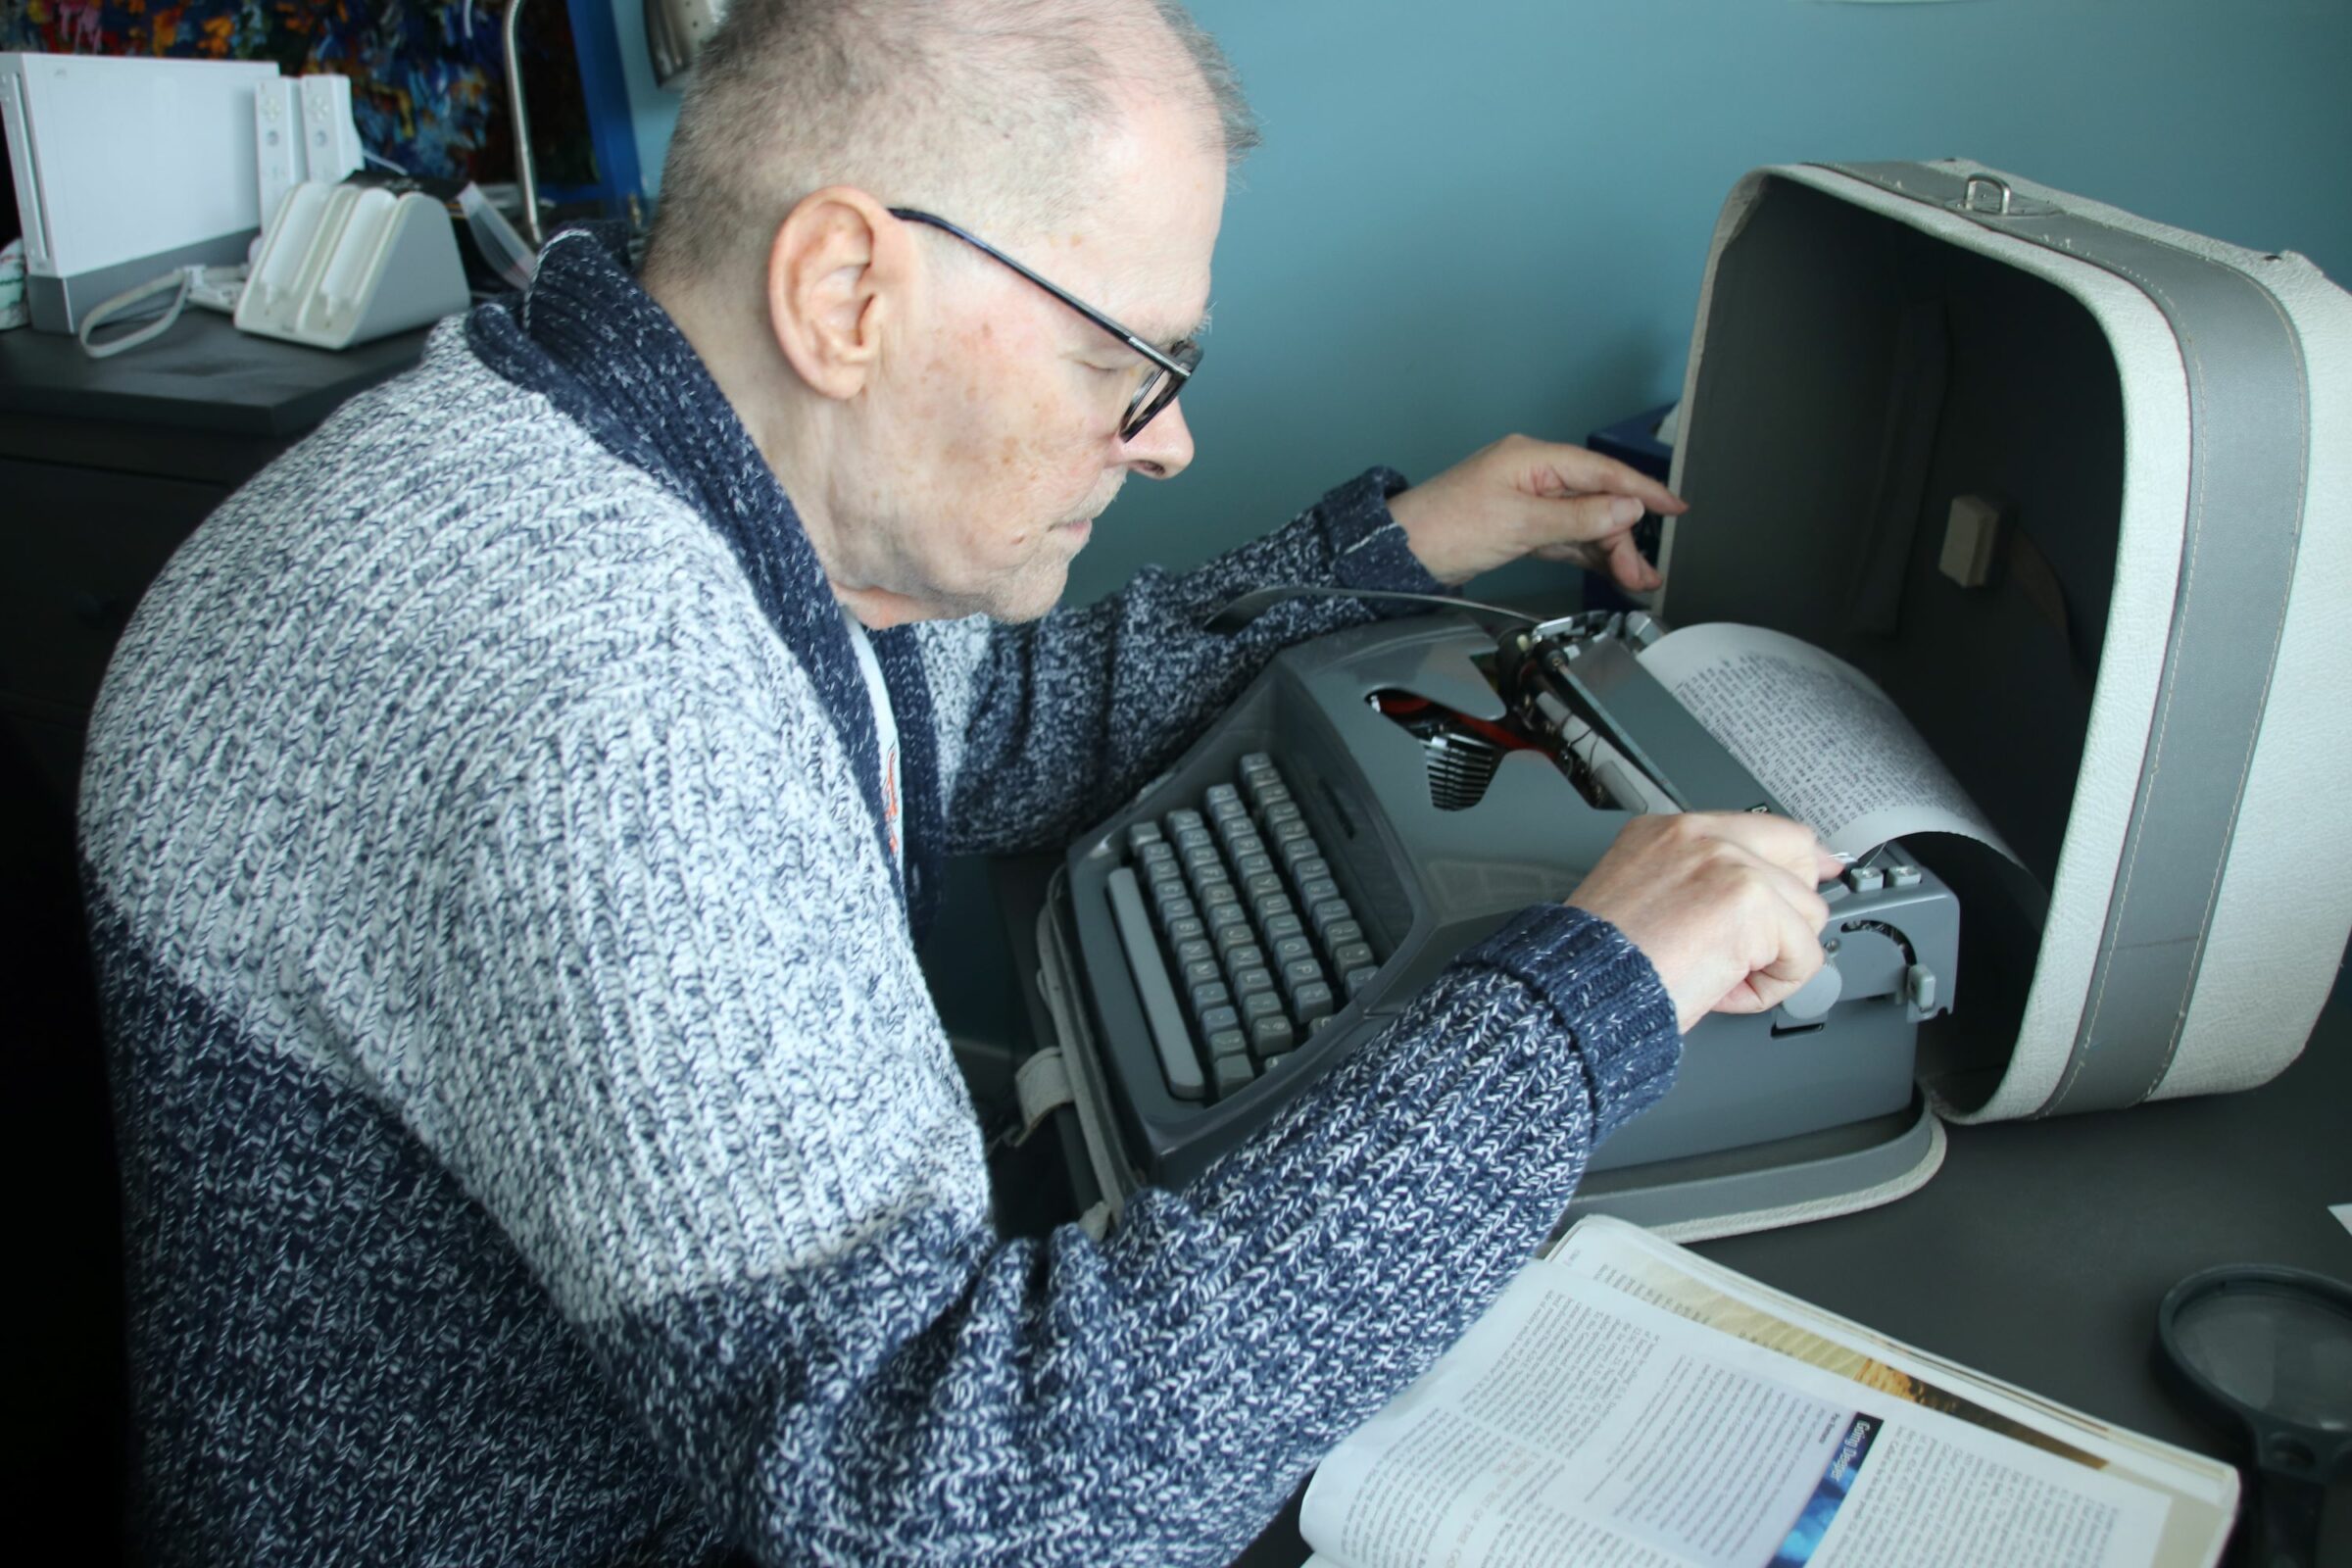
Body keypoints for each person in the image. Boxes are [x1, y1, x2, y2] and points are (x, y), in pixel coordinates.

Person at [78, 1, 1837, 1563]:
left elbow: (984, 722)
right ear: (848, 292)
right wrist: (1583, 1000)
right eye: (1122, 359)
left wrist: (1410, 543)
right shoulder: (592, 684)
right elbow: (953, 1500)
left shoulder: (616, 436)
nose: (1167, 438)